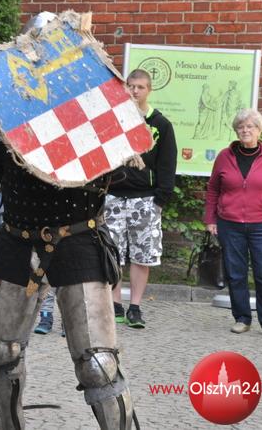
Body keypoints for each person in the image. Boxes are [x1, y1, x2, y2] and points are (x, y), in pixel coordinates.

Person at [0, 12, 135, 430]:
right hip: (19, 241)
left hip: (77, 239)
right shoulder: (8, 116)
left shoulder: (90, 106)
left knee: (98, 364)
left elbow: (122, 166)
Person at [204, 109, 262, 339]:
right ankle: (242, 318)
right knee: (235, 274)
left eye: (250, 126)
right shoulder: (224, 156)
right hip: (230, 224)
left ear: (259, 130)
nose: (245, 130)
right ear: (236, 131)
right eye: (241, 127)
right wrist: (210, 219)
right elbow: (213, 189)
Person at [106, 69, 177, 328]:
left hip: (145, 199)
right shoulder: (115, 121)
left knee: (142, 255)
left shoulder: (160, 124)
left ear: (149, 90)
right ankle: (115, 303)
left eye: (140, 87)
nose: (135, 91)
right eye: (131, 86)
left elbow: (168, 163)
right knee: (111, 253)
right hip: (114, 197)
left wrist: (160, 198)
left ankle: (135, 307)